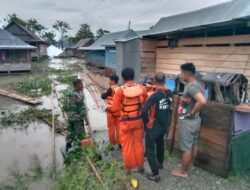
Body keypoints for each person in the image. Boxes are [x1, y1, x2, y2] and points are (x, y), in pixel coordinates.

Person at [171, 63, 206, 177]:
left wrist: (192, 112)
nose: (180, 75)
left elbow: (202, 101)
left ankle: (183, 172)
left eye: (181, 73)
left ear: (186, 74)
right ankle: (190, 165)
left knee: (186, 147)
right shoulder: (198, 84)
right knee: (193, 144)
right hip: (196, 121)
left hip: (188, 121)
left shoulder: (191, 87)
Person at [109, 67, 147, 172]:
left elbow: (114, 108)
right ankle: (140, 166)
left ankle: (129, 168)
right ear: (133, 76)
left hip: (125, 122)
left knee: (127, 145)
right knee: (139, 144)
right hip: (138, 121)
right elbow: (146, 102)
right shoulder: (142, 88)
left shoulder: (120, 90)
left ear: (123, 77)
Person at [142, 72, 173, 182]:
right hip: (164, 125)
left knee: (150, 149)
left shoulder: (154, 95)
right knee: (160, 144)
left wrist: (146, 123)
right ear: (165, 81)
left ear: (154, 80)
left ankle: (155, 173)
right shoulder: (170, 93)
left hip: (153, 125)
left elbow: (144, 111)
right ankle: (159, 163)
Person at [63, 79, 86, 152]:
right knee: (80, 134)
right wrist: (84, 118)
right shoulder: (78, 96)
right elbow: (82, 110)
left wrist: (70, 114)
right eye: (81, 84)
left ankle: (68, 146)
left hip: (70, 118)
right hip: (77, 119)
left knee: (70, 132)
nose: (82, 86)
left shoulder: (68, 93)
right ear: (77, 85)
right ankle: (79, 150)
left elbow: (65, 107)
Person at [101, 74, 120, 147]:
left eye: (110, 80)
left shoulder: (111, 89)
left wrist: (103, 93)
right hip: (118, 112)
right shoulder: (120, 88)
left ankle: (112, 143)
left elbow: (103, 96)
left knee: (111, 128)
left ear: (113, 81)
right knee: (119, 128)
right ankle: (120, 142)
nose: (109, 82)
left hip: (111, 112)